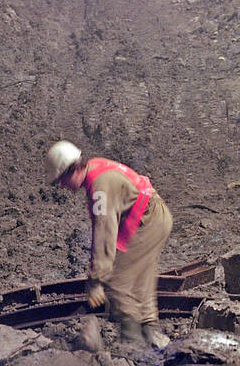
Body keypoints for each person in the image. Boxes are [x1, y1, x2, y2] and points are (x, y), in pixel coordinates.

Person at [45, 141, 172, 348]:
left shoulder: (100, 187)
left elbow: (104, 234)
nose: (62, 186)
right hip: (151, 215)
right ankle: (150, 334)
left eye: (61, 179)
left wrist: (96, 280)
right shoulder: (95, 169)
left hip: (148, 220)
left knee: (119, 282)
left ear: (73, 169)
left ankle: (134, 344)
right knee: (138, 279)